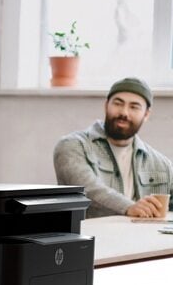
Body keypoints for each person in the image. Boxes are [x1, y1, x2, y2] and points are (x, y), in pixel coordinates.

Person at [54, 77, 173, 218]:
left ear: (146, 114)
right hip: (93, 238)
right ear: (106, 106)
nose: (124, 113)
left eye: (134, 107)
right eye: (118, 103)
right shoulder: (72, 146)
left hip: (144, 239)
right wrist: (129, 207)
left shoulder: (162, 164)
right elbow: (89, 189)